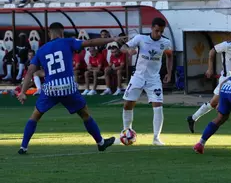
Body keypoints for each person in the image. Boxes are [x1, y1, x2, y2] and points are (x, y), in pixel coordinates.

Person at [17, 22, 124, 154]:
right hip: (67, 87)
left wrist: (23, 92)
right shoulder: (68, 42)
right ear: (62, 32)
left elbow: (30, 71)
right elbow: (91, 42)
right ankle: (101, 143)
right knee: (85, 114)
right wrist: (112, 39)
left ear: (50, 33)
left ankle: (23, 147)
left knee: (35, 116)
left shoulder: (41, 50)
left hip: (50, 88)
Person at [187, 26, 231, 133]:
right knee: (213, 103)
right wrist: (210, 68)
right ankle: (193, 118)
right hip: (226, 79)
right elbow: (211, 52)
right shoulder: (226, 45)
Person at [120, 17, 173, 146]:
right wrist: (129, 50)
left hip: (154, 79)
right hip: (138, 76)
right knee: (128, 104)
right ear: (152, 28)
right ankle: (126, 131)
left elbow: (170, 55)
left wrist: (169, 73)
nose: (159, 34)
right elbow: (123, 47)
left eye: (161, 31)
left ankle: (156, 138)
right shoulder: (140, 38)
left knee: (158, 106)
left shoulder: (165, 42)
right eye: (157, 31)